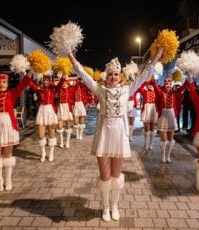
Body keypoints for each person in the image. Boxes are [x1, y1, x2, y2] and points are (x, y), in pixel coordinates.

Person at [68, 48, 163, 222]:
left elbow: (143, 76)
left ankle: (114, 206)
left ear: (120, 76)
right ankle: (105, 207)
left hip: (119, 135)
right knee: (105, 176)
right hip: (104, 135)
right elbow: (82, 73)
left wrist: (156, 57)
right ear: (107, 75)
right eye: (110, 74)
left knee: (117, 176)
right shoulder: (99, 89)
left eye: (116, 74)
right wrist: (69, 54)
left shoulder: (127, 89)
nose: (113, 77)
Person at [154, 78, 188, 163]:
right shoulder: (161, 93)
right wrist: (152, 79)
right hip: (163, 115)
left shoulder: (175, 93)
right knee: (164, 139)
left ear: (171, 85)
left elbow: (183, 87)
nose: (168, 86)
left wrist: (188, 78)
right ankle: (163, 155)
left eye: (169, 85)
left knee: (170, 139)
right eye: (166, 85)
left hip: (172, 116)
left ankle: (168, 156)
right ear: (164, 85)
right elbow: (156, 87)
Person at [28, 75, 61, 162]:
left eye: (47, 80)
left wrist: (64, 76)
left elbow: (60, 85)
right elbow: (30, 83)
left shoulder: (53, 89)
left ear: (50, 81)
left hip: (50, 111)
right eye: (44, 80)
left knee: (51, 134)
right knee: (41, 135)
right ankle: (43, 153)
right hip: (42, 111)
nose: (45, 82)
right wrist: (26, 74)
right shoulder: (39, 89)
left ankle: (51, 153)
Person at [138, 78, 158, 150]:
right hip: (146, 109)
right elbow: (139, 88)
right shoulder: (144, 91)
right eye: (149, 85)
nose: (150, 86)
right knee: (146, 127)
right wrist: (146, 81)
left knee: (152, 128)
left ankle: (150, 144)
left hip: (153, 109)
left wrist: (153, 82)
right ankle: (146, 143)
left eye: (151, 85)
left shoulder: (157, 92)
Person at [56, 77, 74, 148]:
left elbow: (77, 86)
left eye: (65, 83)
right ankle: (61, 141)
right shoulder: (59, 90)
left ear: (68, 84)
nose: (64, 84)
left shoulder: (70, 90)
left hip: (67, 108)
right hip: (60, 108)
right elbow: (59, 84)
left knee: (68, 125)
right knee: (59, 126)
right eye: (63, 83)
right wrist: (63, 76)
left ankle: (67, 142)